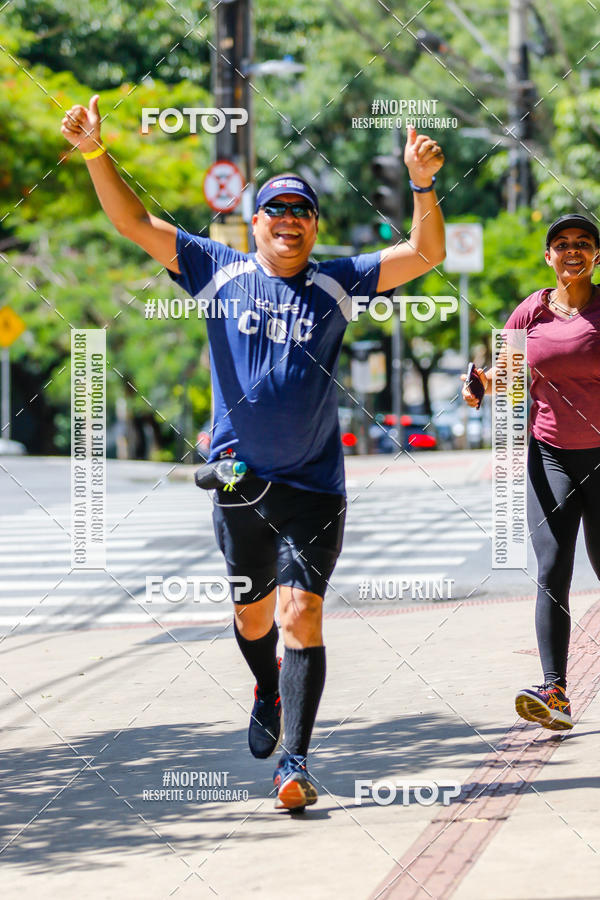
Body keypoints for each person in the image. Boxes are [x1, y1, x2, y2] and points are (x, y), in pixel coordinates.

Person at [61, 95, 445, 808]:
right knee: (253, 619)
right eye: (278, 211)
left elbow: (424, 253)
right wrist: (93, 151)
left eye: (302, 212)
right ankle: (266, 687)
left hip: (314, 488)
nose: (290, 222)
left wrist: (422, 183)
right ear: (255, 223)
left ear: (314, 227)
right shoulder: (217, 269)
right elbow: (132, 223)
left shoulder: (337, 282)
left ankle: (294, 764)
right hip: (239, 486)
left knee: (303, 613)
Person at [462, 213, 600, 731]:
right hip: (551, 455)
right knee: (552, 569)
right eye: (562, 244)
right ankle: (555, 689)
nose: (572, 250)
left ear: (595, 256)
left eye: (583, 243)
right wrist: (481, 385)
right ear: (548, 257)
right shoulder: (530, 313)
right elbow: (507, 370)